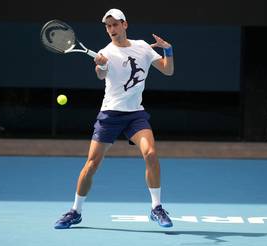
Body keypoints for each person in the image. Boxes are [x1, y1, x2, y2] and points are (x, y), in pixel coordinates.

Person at [54, 8, 175, 229]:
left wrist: (168, 50)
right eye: (108, 26)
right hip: (110, 113)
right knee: (91, 164)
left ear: (124, 25)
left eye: (115, 24)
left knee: (150, 153)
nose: (111, 29)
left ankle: (156, 208)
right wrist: (100, 64)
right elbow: (101, 74)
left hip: (135, 115)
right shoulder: (105, 52)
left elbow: (168, 71)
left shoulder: (143, 48)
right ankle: (75, 211)